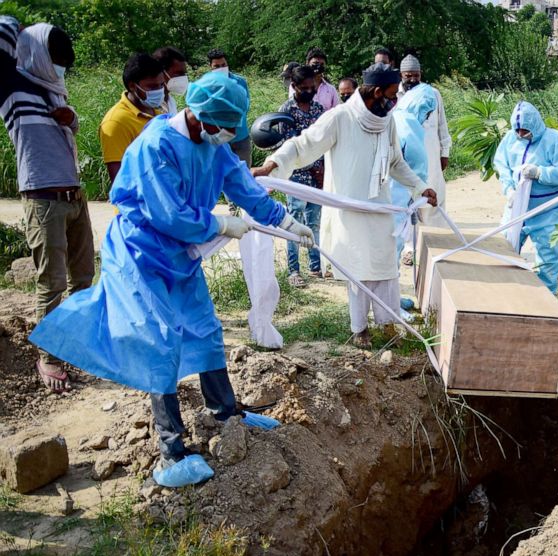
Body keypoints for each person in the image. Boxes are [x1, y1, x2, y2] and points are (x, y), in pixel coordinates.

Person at [29, 72, 315, 487]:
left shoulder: (213, 145)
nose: (225, 137)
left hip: (180, 255)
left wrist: (285, 220)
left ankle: (225, 412)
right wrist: (219, 224)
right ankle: (171, 451)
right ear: (198, 116)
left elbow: (243, 185)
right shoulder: (155, 145)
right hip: (141, 254)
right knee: (160, 340)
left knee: (205, 328)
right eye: (221, 128)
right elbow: (168, 215)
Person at [252, 63, 438, 349]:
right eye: (391, 95)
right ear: (377, 92)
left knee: (386, 267)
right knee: (358, 270)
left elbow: (396, 162)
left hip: (379, 208)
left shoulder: (386, 120)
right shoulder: (340, 117)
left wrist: (420, 187)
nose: (395, 101)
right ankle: (359, 329)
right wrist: (272, 165)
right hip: (349, 212)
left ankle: (387, 325)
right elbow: (303, 145)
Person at [1, 20, 95, 394]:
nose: (60, 65)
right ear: (35, 52)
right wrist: (16, 25)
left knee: (83, 279)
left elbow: (64, 134)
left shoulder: (54, 90)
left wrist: (70, 119)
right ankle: (49, 356)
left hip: (74, 196)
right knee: (51, 283)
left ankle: (75, 342)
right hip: (43, 200)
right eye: (54, 56)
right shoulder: (11, 87)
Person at [493, 101, 558, 294]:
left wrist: (540, 172)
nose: (521, 135)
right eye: (518, 131)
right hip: (517, 206)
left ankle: (548, 297)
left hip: (547, 208)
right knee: (504, 247)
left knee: (547, 255)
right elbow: (502, 165)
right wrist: (509, 190)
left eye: (525, 131)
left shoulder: (555, 140)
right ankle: (506, 292)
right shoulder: (509, 139)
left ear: (535, 125)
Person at [397, 54, 452, 261]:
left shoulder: (432, 94)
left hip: (430, 156)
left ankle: (437, 246)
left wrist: (444, 153)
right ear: (401, 75)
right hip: (406, 158)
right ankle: (409, 248)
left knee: (433, 198)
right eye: (408, 75)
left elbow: (442, 126)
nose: (412, 79)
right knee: (408, 202)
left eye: (416, 75)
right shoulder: (396, 95)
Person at [279, 64, 325, 287]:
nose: (309, 91)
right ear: (294, 86)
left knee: (314, 222)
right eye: (304, 87)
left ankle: (316, 267)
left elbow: (323, 141)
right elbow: (290, 147)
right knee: (294, 222)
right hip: (296, 176)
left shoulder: (319, 110)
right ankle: (293, 270)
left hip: (318, 177)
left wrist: (322, 170)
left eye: (312, 86)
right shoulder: (286, 111)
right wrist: (313, 167)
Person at [99, 53, 165, 182]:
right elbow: (120, 180)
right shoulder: (116, 121)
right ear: (132, 86)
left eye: (161, 85)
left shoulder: (159, 115)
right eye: (151, 87)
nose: (158, 91)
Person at [391, 82, 435, 262]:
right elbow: (417, 165)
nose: (427, 117)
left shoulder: (394, 117)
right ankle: (388, 288)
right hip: (397, 193)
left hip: (390, 191)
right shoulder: (409, 124)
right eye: (428, 113)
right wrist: (421, 193)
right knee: (393, 244)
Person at [207, 48, 252, 164]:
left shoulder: (240, 82)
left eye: (223, 65)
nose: (221, 68)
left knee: (244, 175)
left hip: (241, 137)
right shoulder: (206, 85)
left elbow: (245, 106)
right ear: (210, 67)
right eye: (217, 66)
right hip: (219, 140)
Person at [286, 47, 339, 113]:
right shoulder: (297, 85)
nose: (319, 66)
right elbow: (293, 105)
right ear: (307, 63)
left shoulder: (331, 89)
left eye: (322, 64)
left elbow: (336, 112)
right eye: (315, 63)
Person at [153, 46, 188, 114]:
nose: (183, 77)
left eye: (184, 73)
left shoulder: (170, 101)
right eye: (178, 73)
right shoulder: (151, 104)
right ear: (162, 73)